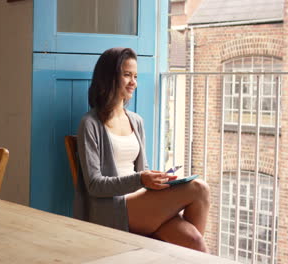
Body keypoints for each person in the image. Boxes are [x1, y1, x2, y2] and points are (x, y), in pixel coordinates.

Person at [74, 47, 210, 252]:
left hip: (139, 201)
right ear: (109, 77)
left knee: (195, 242)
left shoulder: (136, 121)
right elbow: (94, 185)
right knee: (199, 189)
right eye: (127, 75)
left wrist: (156, 180)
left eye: (135, 76)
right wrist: (140, 179)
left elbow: (142, 168)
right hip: (112, 207)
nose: (133, 82)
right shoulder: (90, 123)